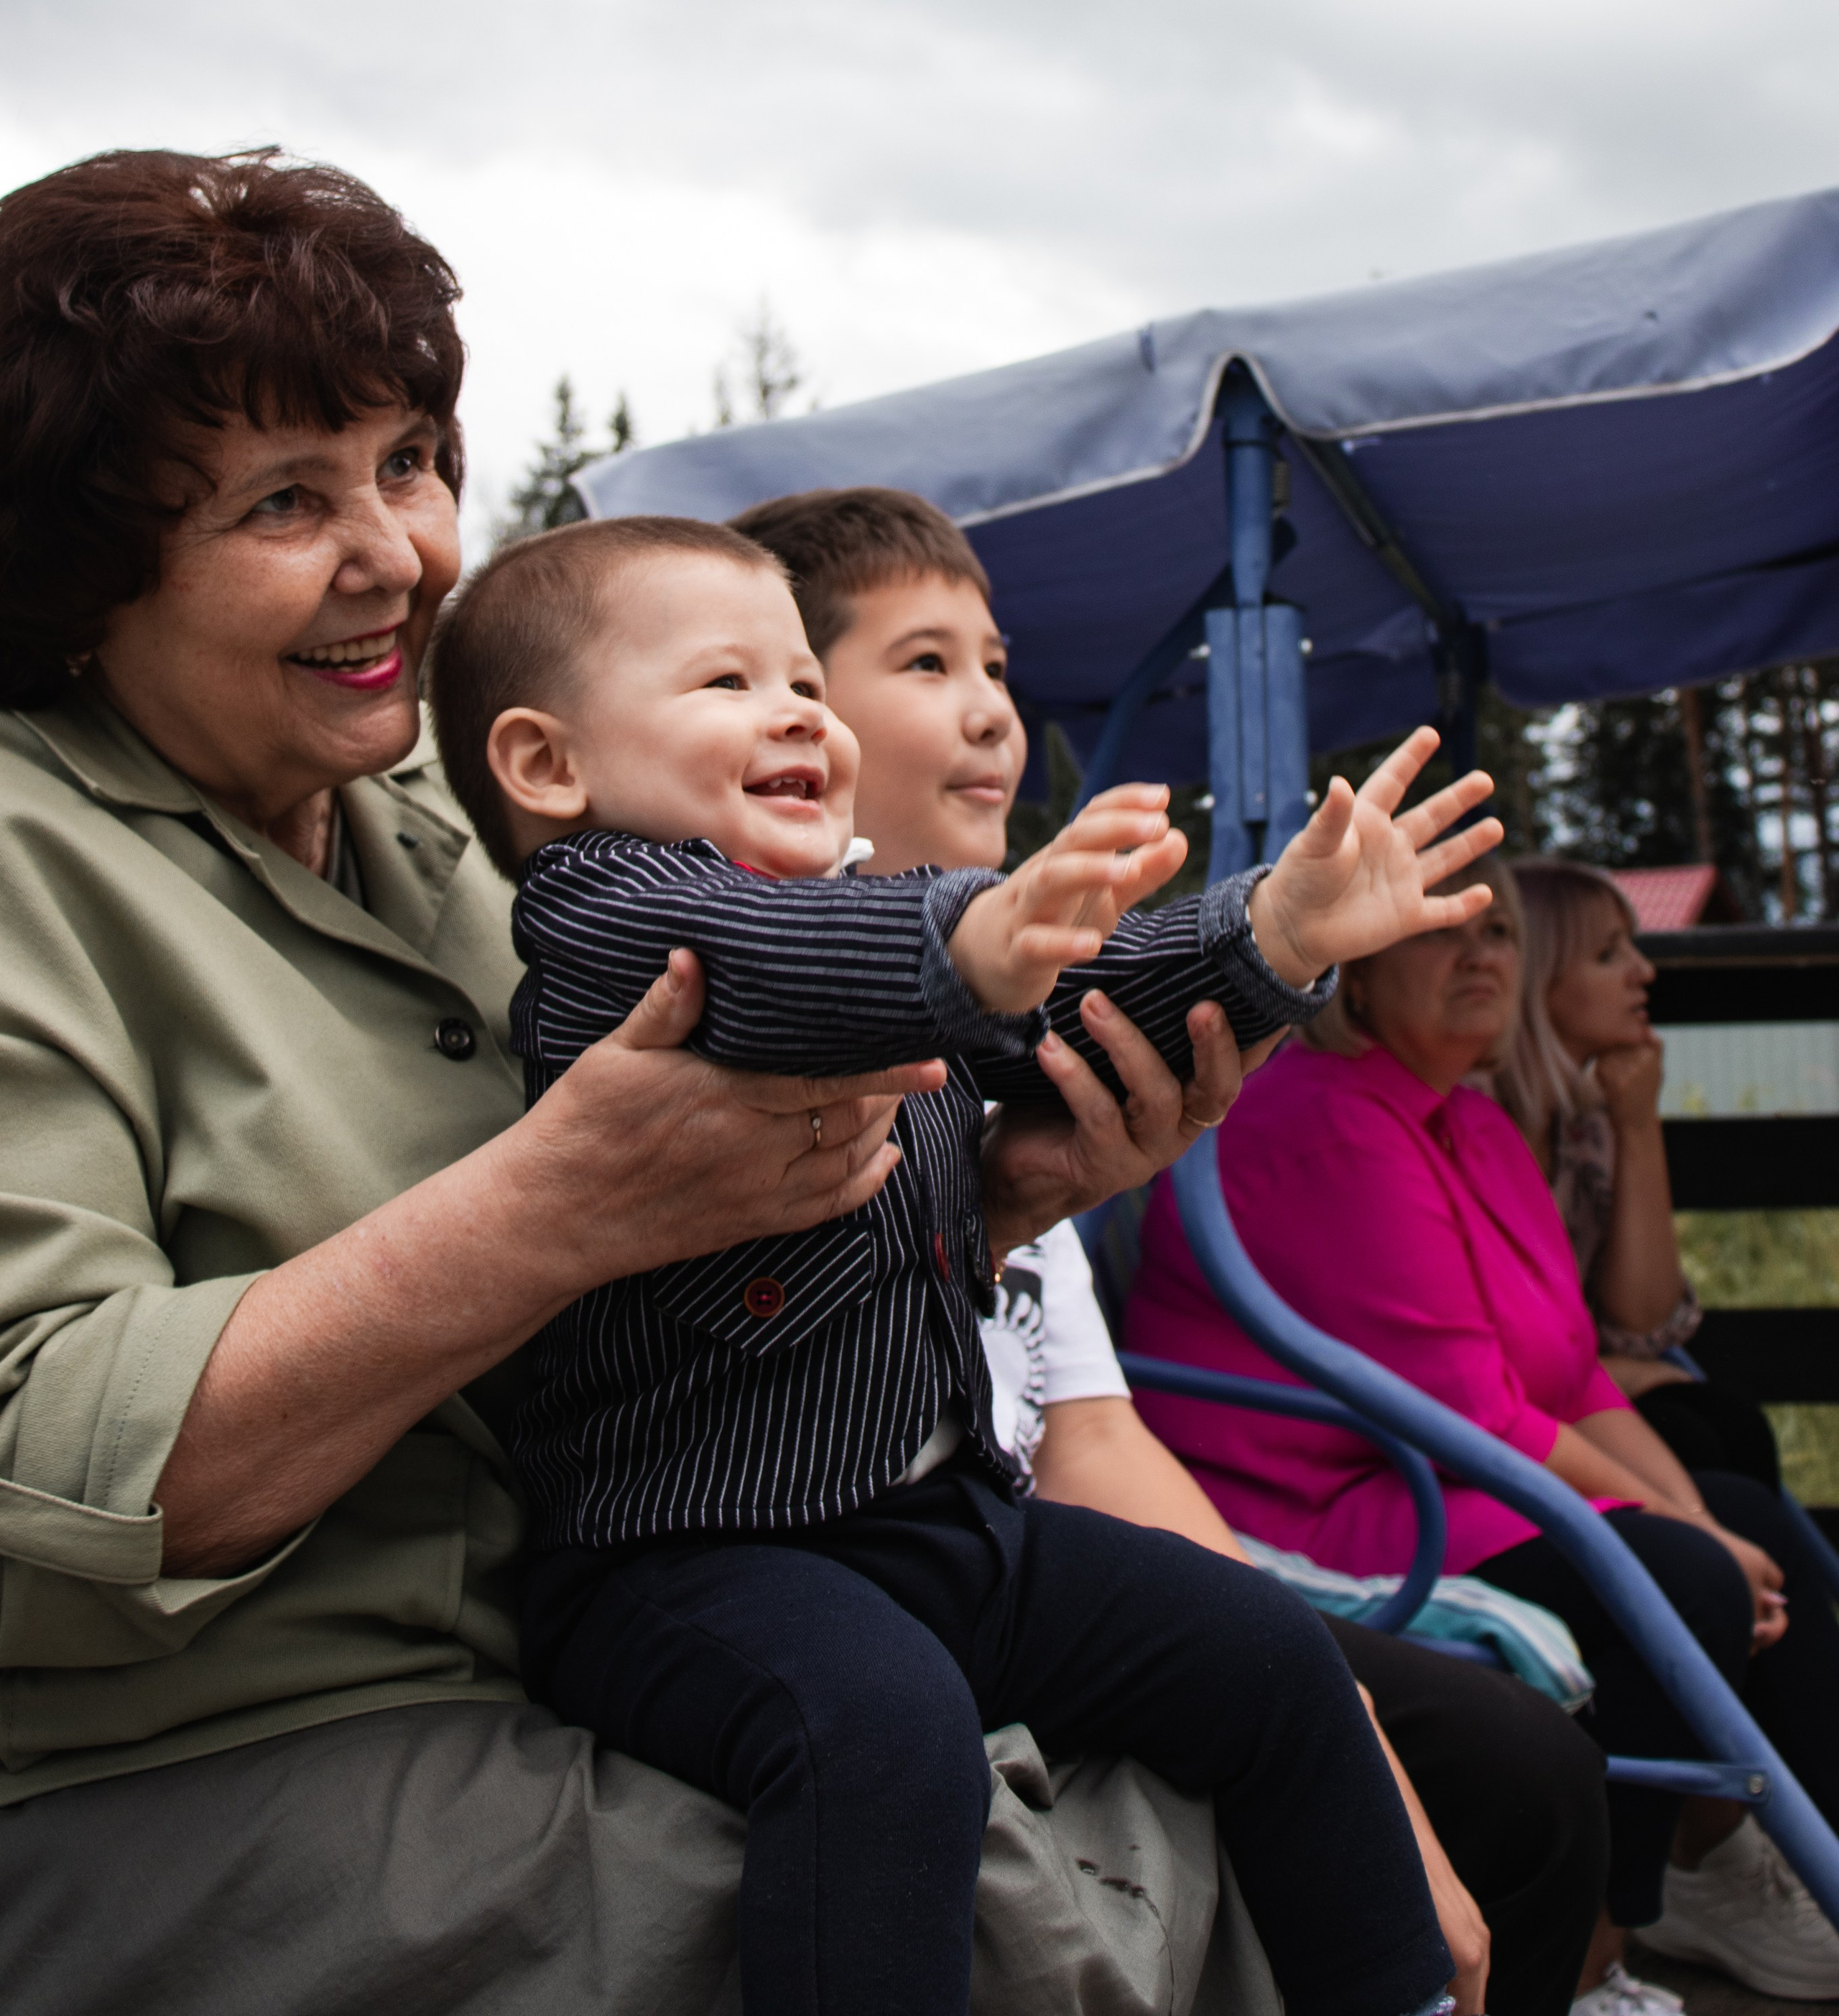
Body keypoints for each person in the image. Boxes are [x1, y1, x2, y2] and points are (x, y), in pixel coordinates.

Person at [0, 147, 1261, 2016]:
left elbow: (702, 1193)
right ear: (86, 563)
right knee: (1068, 1904)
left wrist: (987, 1194)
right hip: (197, 1757)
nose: (405, 556)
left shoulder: (452, 816)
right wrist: (544, 1213)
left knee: (1239, 1755)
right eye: (287, 498)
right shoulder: (36, 861)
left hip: (603, 1637)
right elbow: (38, 1458)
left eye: (412, 462)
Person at [425, 507, 1509, 2016]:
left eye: (804, 679)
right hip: (683, 1563)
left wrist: (1266, 936)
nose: (795, 711)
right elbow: (780, 969)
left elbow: (1075, 1000)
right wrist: (971, 943)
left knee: (1262, 1652)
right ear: (550, 766)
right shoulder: (609, 922)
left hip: (926, 1522)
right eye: (727, 683)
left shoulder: (880, 923)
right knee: (877, 1736)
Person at [733, 482, 1613, 2016]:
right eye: (929, 665)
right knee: (1494, 1761)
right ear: (799, 715)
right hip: (832, 1585)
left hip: (1008, 1555)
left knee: (1501, 1776)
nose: (995, 715)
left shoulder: (1012, 1046)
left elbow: (1088, 1432)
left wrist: (1326, 1719)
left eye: (997, 667)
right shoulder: (760, 1001)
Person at [1124, 860, 1839, 2003]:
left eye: (1501, 931)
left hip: (1431, 1471)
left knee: (1740, 1521)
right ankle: (1609, 1940)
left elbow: (1569, 1378)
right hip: (1317, 1500)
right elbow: (1480, 1411)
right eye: (1439, 928)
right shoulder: (1326, 1124)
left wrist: (1696, 1513)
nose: (1482, 955)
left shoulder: (1476, 1126)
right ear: (1355, 970)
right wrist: (1672, 1528)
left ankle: (1767, 1845)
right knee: (1681, 1571)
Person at [1500, 859, 1778, 1490]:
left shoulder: (1583, 1127)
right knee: (1696, 1442)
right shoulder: (1472, 1122)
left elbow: (1645, 1322)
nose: (1643, 972)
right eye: (1608, 954)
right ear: (1536, 979)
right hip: (1520, 1419)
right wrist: (1617, 1372)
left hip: (1584, 1395)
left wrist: (1637, 1123)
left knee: (1726, 1427)